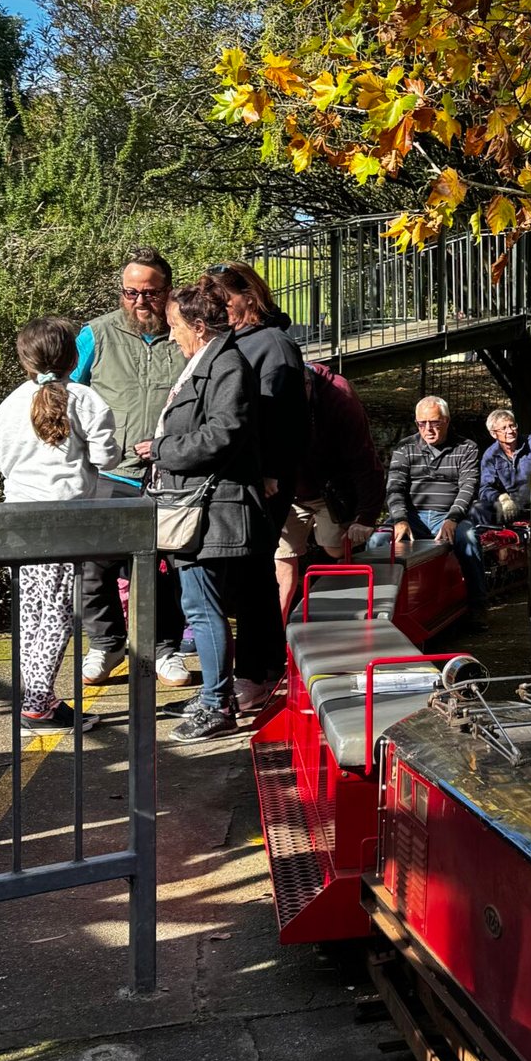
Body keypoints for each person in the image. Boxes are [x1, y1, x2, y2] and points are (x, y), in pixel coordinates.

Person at [146, 277, 266, 742]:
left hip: (211, 512)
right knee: (201, 605)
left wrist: (162, 449)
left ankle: (217, 705)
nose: (170, 333)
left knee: (202, 608)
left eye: (175, 325)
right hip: (202, 508)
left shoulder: (226, 365)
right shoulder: (212, 362)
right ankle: (215, 695)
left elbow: (222, 434)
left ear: (198, 326)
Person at [72, 248, 189, 687]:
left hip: (168, 476)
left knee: (168, 567)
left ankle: (165, 650)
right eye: (130, 293)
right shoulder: (96, 335)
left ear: (168, 291)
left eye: (151, 293)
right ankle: (106, 645)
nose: (140, 302)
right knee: (95, 568)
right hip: (109, 474)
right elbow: (64, 395)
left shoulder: (185, 334)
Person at [0, 317, 119, 736]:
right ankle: (36, 706)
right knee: (58, 614)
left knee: (30, 613)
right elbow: (109, 457)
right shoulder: (83, 399)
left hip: (19, 522)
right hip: (66, 522)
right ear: (72, 357)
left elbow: (1, 460)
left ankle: (38, 696)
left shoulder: (9, 404)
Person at [212, 263, 306, 711]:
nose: (216, 307)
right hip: (244, 475)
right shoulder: (239, 342)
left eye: (223, 299)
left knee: (253, 577)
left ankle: (258, 670)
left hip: (264, 479)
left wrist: (270, 471)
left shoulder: (273, 345)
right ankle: (255, 669)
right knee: (247, 577)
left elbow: (283, 420)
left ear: (247, 297)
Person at [276, 362, 385, 615]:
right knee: (283, 562)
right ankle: (276, 635)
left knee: (336, 547)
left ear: (307, 384)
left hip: (330, 489)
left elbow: (365, 459)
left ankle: (346, 608)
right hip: (288, 488)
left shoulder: (339, 396)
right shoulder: (272, 392)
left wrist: (366, 516)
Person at [371, 396, 487, 617]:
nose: (428, 429)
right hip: (411, 516)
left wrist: (453, 518)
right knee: (377, 541)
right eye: (422, 423)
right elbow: (394, 487)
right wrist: (400, 519)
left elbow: (468, 487)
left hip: (449, 514)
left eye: (434, 422)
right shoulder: (405, 448)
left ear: (447, 420)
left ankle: (477, 606)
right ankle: (378, 607)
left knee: (469, 538)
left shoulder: (466, 448)